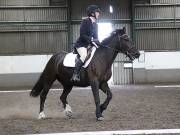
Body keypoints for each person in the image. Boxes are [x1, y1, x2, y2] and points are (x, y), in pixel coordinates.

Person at [71, 5, 101, 82]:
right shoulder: (85, 21)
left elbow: (96, 37)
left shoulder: (96, 25)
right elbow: (82, 35)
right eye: (97, 12)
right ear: (92, 13)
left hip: (90, 45)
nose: (99, 14)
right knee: (84, 55)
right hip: (81, 45)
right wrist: (91, 40)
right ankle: (75, 75)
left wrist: (98, 43)